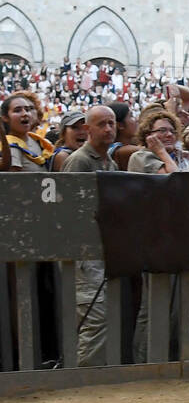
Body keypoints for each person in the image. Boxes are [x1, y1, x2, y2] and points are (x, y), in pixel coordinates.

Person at [61, 106, 119, 366]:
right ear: (88, 129)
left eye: (111, 123)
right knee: (95, 319)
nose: (108, 129)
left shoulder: (109, 161)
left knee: (100, 318)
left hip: (99, 249)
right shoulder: (80, 161)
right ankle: (85, 378)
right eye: (102, 124)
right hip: (85, 252)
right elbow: (69, 210)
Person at [128, 108, 189, 173]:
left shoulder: (177, 156)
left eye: (173, 131)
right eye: (162, 130)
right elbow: (174, 179)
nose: (169, 134)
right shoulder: (140, 157)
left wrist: (187, 161)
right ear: (148, 135)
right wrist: (161, 151)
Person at [2, 91, 55, 170]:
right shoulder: (11, 146)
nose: (25, 113)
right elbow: (13, 180)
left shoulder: (38, 141)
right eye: (17, 110)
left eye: (28, 109)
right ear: (5, 118)